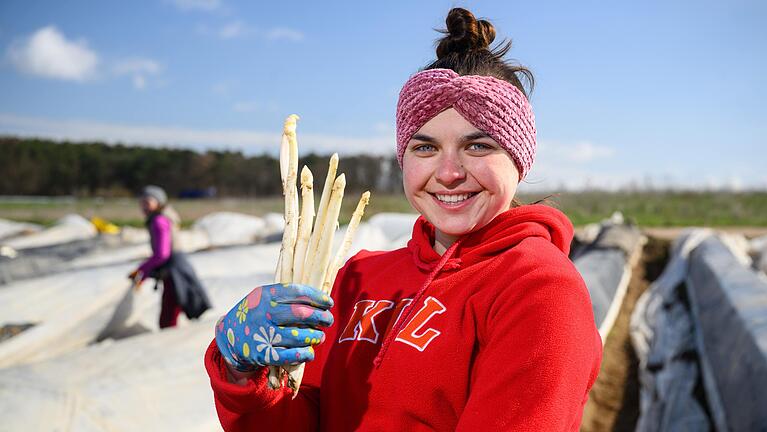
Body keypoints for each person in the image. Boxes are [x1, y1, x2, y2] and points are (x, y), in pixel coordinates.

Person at [204, 8, 602, 431]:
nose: (448, 172)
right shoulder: (358, 279)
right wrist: (244, 372)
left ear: (519, 159)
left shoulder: (539, 291)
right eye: (425, 148)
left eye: (478, 146)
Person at [129, 185, 211, 328]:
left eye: (147, 202)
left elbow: (162, 254)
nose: (144, 206)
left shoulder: (158, 221)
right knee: (173, 311)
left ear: (158, 202)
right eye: (142, 202)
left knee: (168, 317)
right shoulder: (162, 218)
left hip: (174, 271)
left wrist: (142, 270)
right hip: (175, 268)